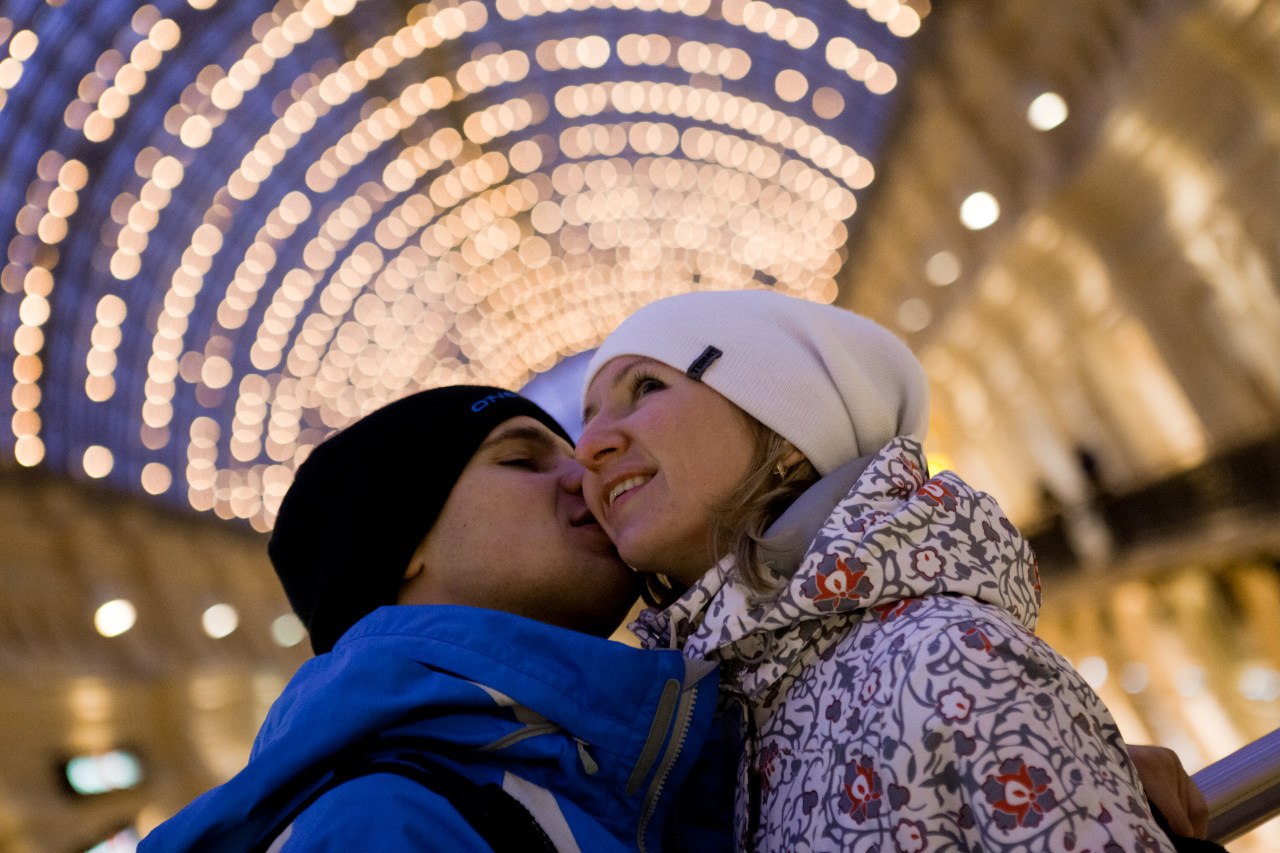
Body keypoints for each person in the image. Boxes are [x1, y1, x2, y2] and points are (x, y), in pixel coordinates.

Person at [576, 289, 1213, 852]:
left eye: (647, 388)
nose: (588, 448)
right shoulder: (710, 722)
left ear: (788, 425)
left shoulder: (951, 660)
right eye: (587, 418)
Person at [139, 385, 720, 853]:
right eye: (522, 460)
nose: (586, 477)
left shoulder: (604, 773)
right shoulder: (377, 824)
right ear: (399, 548)